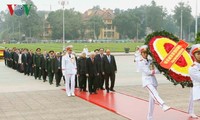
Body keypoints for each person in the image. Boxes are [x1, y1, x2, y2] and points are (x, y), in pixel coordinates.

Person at [138, 45, 170, 120]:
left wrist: (160, 70)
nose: (145, 54)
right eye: (143, 53)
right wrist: (156, 71)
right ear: (141, 53)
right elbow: (147, 72)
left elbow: (156, 70)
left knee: (152, 100)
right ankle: (163, 105)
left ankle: (149, 117)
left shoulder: (150, 61)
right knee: (155, 93)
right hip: (147, 81)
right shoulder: (141, 62)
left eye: (146, 53)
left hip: (153, 81)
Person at [188, 44, 200, 119]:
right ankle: (191, 111)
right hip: (197, 87)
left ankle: (191, 111)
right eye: (198, 53)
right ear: (194, 55)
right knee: (192, 99)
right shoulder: (192, 68)